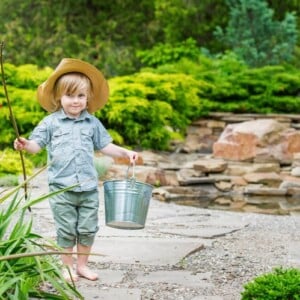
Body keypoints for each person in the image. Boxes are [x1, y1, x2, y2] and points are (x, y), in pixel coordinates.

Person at [14, 58, 138, 282]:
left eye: (81, 96)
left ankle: (82, 266)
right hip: (62, 189)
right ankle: (67, 267)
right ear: (58, 97)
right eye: (70, 96)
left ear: (88, 98)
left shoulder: (92, 123)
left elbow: (105, 146)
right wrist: (24, 144)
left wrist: (125, 153)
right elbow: (35, 146)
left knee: (88, 228)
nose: (76, 101)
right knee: (66, 230)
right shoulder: (50, 123)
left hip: (88, 187)